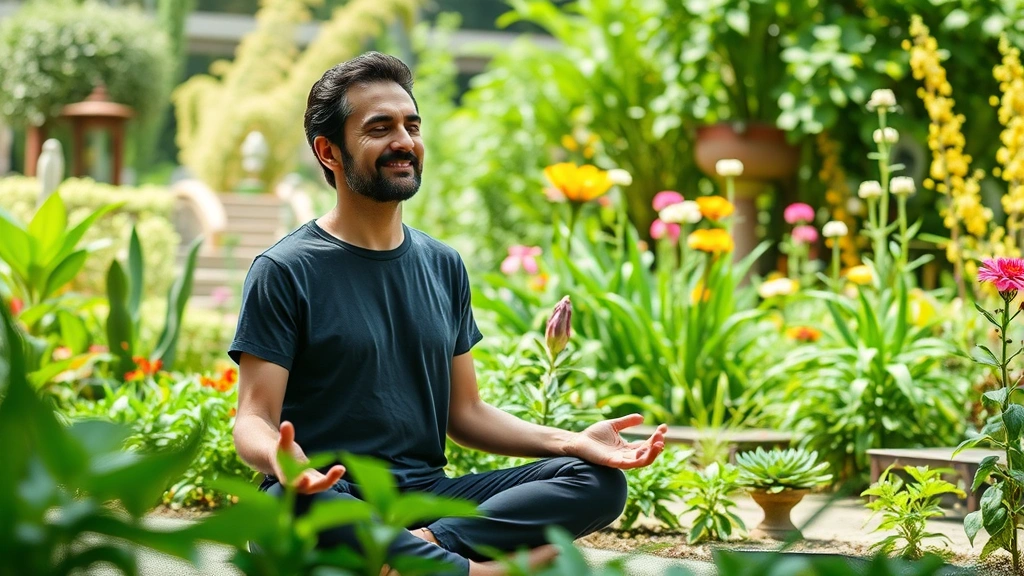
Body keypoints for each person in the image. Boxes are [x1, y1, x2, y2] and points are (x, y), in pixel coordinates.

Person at [229, 51, 669, 576]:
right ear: (329, 151)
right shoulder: (285, 269)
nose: (404, 141)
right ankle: (467, 571)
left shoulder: (443, 265)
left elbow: (466, 415)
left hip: (425, 497)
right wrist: (285, 461)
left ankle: (415, 551)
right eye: (379, 128)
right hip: (329, 490)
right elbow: (253, 419)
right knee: (287, 501)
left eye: (411, 125)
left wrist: (572, 441)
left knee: (595, 481)